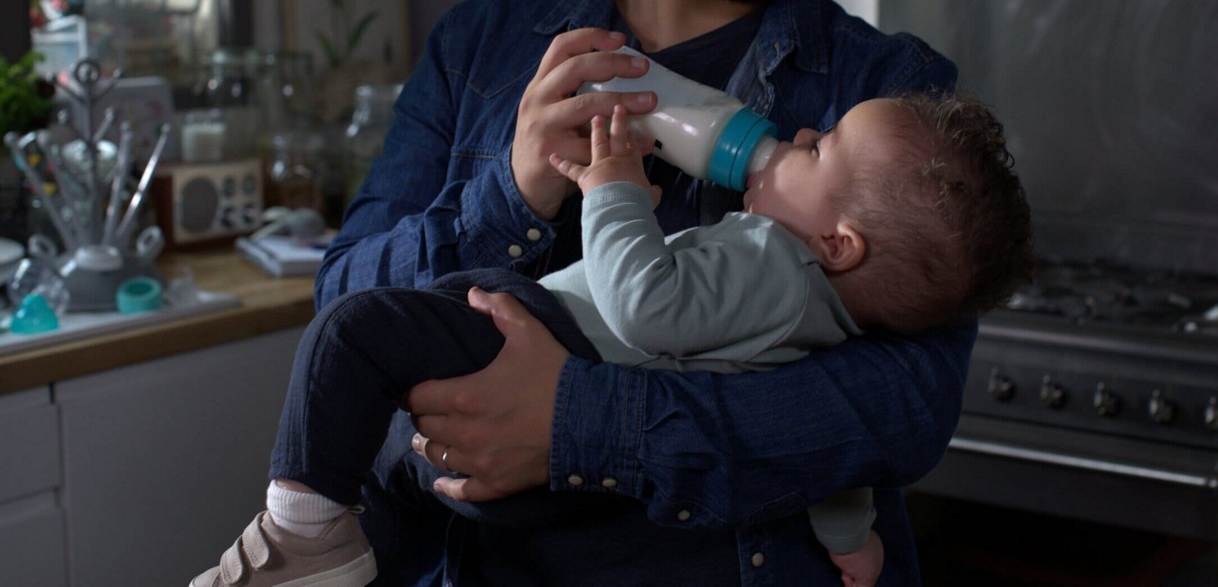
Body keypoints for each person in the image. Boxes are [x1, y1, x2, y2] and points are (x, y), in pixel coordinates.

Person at [297, 0, 979, 584]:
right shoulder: (481, 46)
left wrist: (577, 422)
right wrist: (510, 197)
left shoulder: (883, 97)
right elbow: (343, 304)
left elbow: (907, 405)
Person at [191, 93, 1034, 587]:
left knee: (357, 330)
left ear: (838, 244)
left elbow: (646, 306)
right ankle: (329, 558)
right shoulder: (821, 330)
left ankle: (298, 533)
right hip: (555, 479)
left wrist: (613, 189)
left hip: (553, 352)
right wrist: (857, 545)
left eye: (824, 148)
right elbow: (836, 468)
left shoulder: (770, 255)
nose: (802, 136)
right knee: (401, 496)